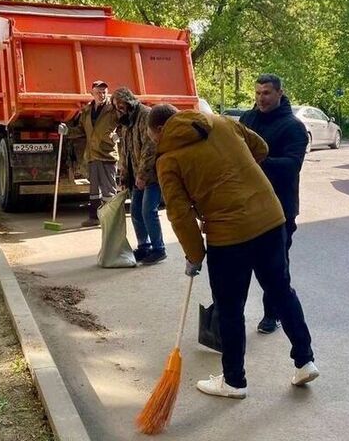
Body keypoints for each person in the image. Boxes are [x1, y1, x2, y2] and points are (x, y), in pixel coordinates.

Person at [147, 104, 318, 399]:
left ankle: (234, 381)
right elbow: (261, 148)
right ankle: (305, 361)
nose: (153, 142)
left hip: (228, 235)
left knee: (230, 308)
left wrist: (194, 255)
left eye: (151, 137)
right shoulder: (221, 122)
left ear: (160, 130)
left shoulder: (168, 159)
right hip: (269, 217)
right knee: (281, 290)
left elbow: (179, 213)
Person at [239, 74, 309, 334]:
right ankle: (231, 316)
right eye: (257, 93)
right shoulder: (247, 119)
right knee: (239, 264)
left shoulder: (293, 127)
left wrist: (256, 163)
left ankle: (272, 314)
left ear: (280, 93)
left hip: (280, 208)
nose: (261, 98)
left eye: (266, 93)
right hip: (246, 204)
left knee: (275, 267)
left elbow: (291, 166)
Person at [111, 87, 166, 265]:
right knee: (135, 212)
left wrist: (142, 175)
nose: (118, 108)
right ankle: (144, 246)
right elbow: (125, 150)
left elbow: (150, 149)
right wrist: (124, 176)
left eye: (120, 105)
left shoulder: (145, 115)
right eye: (116, 106)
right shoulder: (126, 121)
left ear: (129, 101)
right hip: (136, 175)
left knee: (148, 211)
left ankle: (159, 249)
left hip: (151, 175)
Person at [59, 80, 120, 227]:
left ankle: (111, 221)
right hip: (92, 155)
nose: (102, 95)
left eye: (104, 92)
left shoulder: (113, 110)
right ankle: (94, 218)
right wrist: (67, 131)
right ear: (92, 93)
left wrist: (118, 135)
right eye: (98, 92)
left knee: (109, 191)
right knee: (94, 190)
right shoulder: (86, 111)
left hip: (107, 155)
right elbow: (81, 130)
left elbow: (124, 125)